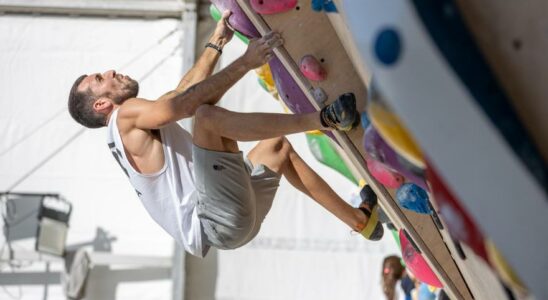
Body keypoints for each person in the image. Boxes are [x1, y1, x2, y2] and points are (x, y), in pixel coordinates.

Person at [67, 11, 383, 257]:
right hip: (216, 218)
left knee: (276, 148)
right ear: (102, 103)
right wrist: (245, 63)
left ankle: (360, 221)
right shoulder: (124, 116)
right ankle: (326, 118)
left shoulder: (128, 129)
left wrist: (217, 41)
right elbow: (189, 104)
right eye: (100, 77)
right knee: (205, 117)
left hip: (229, 223)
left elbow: (181, 93)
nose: (110, 71)